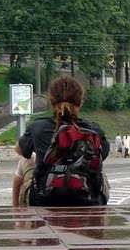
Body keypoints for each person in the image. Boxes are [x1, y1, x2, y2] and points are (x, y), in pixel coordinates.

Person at [15, 76, 109, 206]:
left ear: (51, 101)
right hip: (88, 200)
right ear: (80, 102)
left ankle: (16, 212)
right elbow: (103, 155)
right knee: (99, 168)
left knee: (24, 161)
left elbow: (19, 151)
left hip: (43, 200)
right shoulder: (94, 130)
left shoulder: (37, 127)